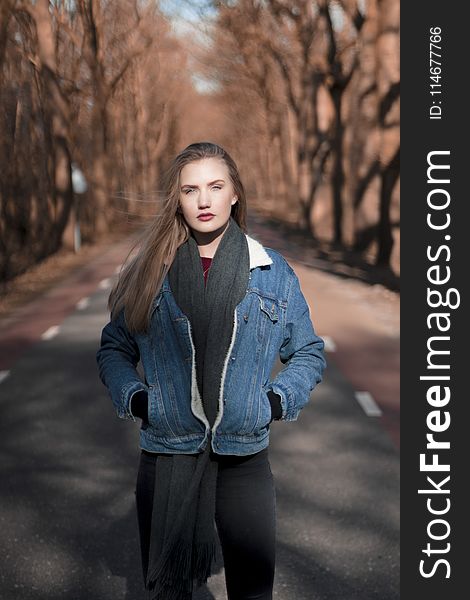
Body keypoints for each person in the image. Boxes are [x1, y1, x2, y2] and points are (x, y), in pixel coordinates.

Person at [96, 141, 326, 600]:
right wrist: (140, 399)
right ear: (177, 199)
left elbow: (309, 352)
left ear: (234, 193)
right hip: (166, 454)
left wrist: (277, 401)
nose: (203, 200)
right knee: (169, 592)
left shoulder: (271, 272)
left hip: (244, 460)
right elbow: (113, 349)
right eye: (190, 190)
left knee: (253, 591)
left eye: (215, 187)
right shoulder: (150, 272)